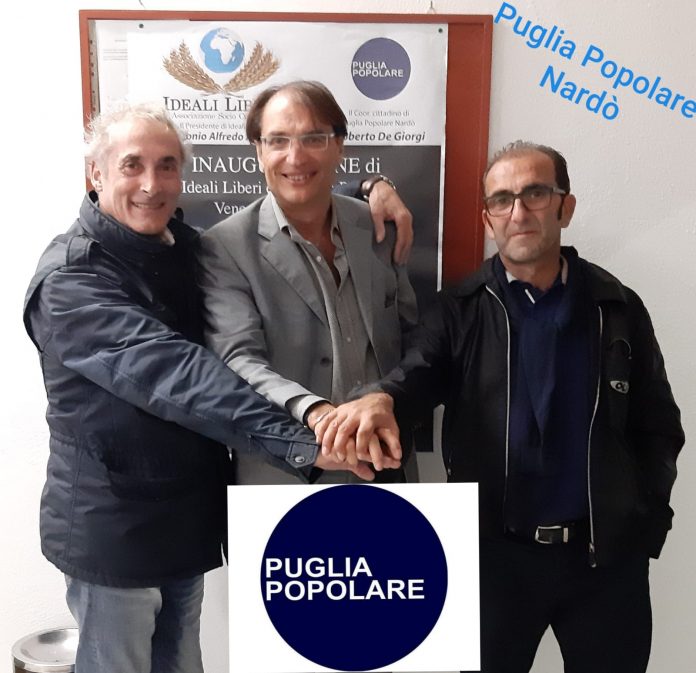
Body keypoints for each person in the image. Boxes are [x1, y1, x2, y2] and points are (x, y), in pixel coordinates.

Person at [22, 102, 387, 673]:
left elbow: (305, 195)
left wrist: (372, 188)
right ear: (97, 173)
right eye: (132, 165)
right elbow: (178, 376)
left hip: (184, 522)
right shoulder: (71, 279)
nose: (151, 184)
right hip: (115, 532)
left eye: (167, 166)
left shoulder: (185, 248)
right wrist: (304, 441)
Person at [317, 141, 684, 673]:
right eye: (502, 199)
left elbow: (659, 426)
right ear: (487, 218)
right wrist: (382, 397)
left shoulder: (618, 306)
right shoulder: (458, 309)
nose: (519, 212)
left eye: (535, 193)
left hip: (604, 562)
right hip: (494, 560)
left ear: (565, 207)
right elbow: (417, 372)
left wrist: (645, 524)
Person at [198, 80, 419, 484]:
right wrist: (315, 412)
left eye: (313, 138)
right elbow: (238, 360)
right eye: (278, 140)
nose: (295, 156)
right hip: (288, 475)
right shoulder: (224, 247)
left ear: (339, 146)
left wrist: (387, 396)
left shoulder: (378, 228)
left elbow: (412, 335)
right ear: (259, 151)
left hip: (385, 466)